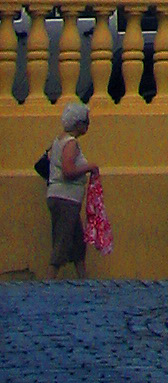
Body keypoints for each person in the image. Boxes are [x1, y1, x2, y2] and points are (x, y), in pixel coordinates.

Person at [44, 102, 98, 278]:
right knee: (63, 238)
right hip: (66, 198)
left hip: (62, 197)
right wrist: (90, 167)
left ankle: (82, 275)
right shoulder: (71, 144)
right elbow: (68, 171)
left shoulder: (59, 141)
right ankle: (50, 277)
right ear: (79, 124)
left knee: (76, 239)